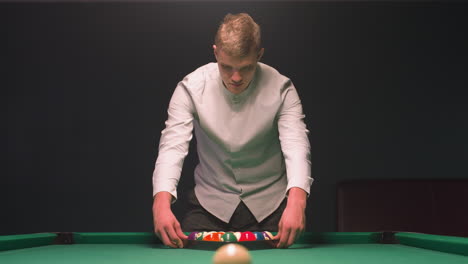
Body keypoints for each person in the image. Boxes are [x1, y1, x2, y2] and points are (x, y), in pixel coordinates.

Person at [152, 13, 312, 249]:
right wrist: (161, 204)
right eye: (227, 67)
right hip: (210, 205)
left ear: (259, 55)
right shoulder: (191, 88)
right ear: (216, 52)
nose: (235, 77)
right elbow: (172, 148)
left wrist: (297, 203)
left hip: (272, 208)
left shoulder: (282, 89)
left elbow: (297, 146)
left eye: (245, 68)